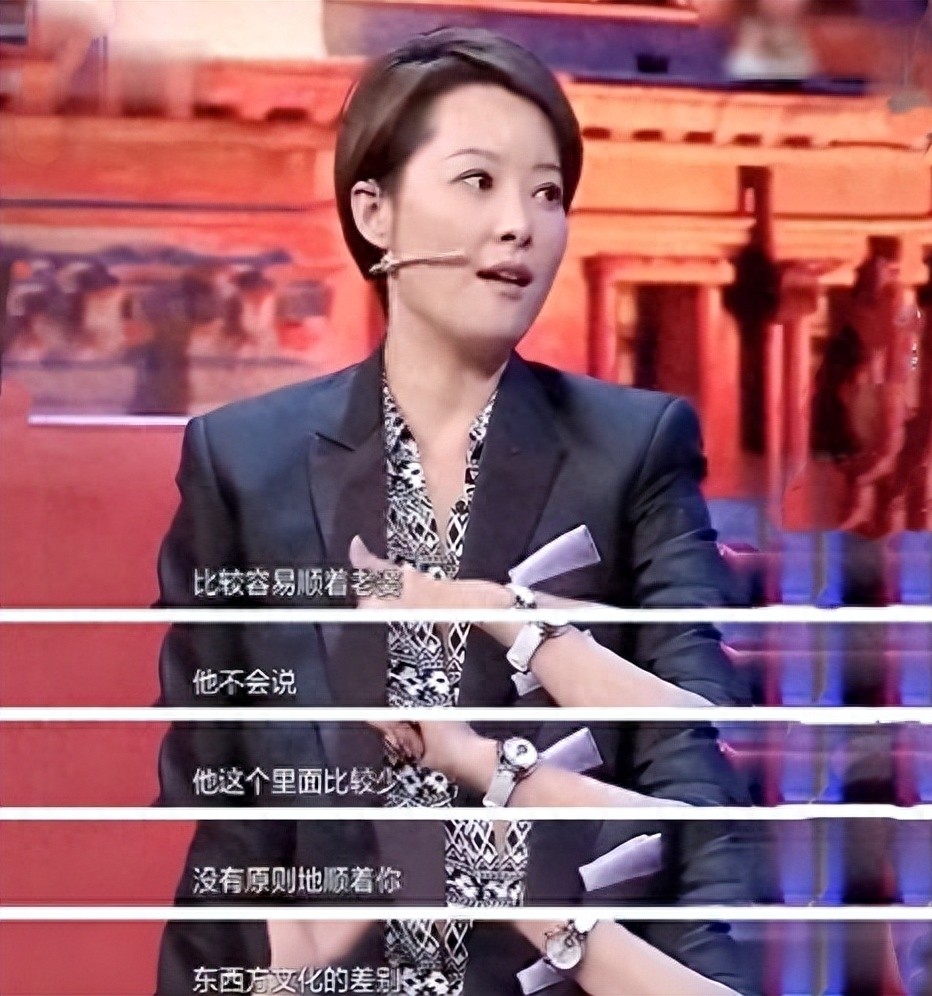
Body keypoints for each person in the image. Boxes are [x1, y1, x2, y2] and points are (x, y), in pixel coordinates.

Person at [154, 27, 761, 996]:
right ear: (375, 213)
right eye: (478, 181)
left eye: (547, 193)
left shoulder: (632, 451)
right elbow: (227, 822)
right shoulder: (242, 463)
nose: (519, 224)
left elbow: (694, 788)